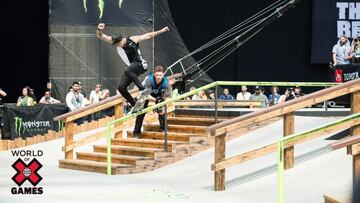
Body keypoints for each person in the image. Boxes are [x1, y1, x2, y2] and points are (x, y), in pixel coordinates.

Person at [96, 23, 169, 108]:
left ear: (122, 39)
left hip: (140, 64)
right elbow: (100, 36)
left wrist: (162, 30)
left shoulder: (133, 39)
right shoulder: (114, 40)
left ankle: (142, 90)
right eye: (116, 44)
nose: (118, 46)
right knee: (121, 88)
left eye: (119, 43)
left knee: (128, 70)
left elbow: (148, 35)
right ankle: (135, 105)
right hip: (132, 70)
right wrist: (99, 29)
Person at [133, 66, 172, 138]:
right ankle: (136, 132)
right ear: (154, 74)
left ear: (163, 74)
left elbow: (169, 97)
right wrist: (156, 100)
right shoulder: (149, 79)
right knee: (140, 112)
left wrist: (162, 104)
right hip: (146, 94)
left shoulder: (166, 82)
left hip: (159, 94)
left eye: (160, 75)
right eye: (157, 75)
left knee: (161, 109)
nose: (158, 77)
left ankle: (163, 129)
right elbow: (147, 95)